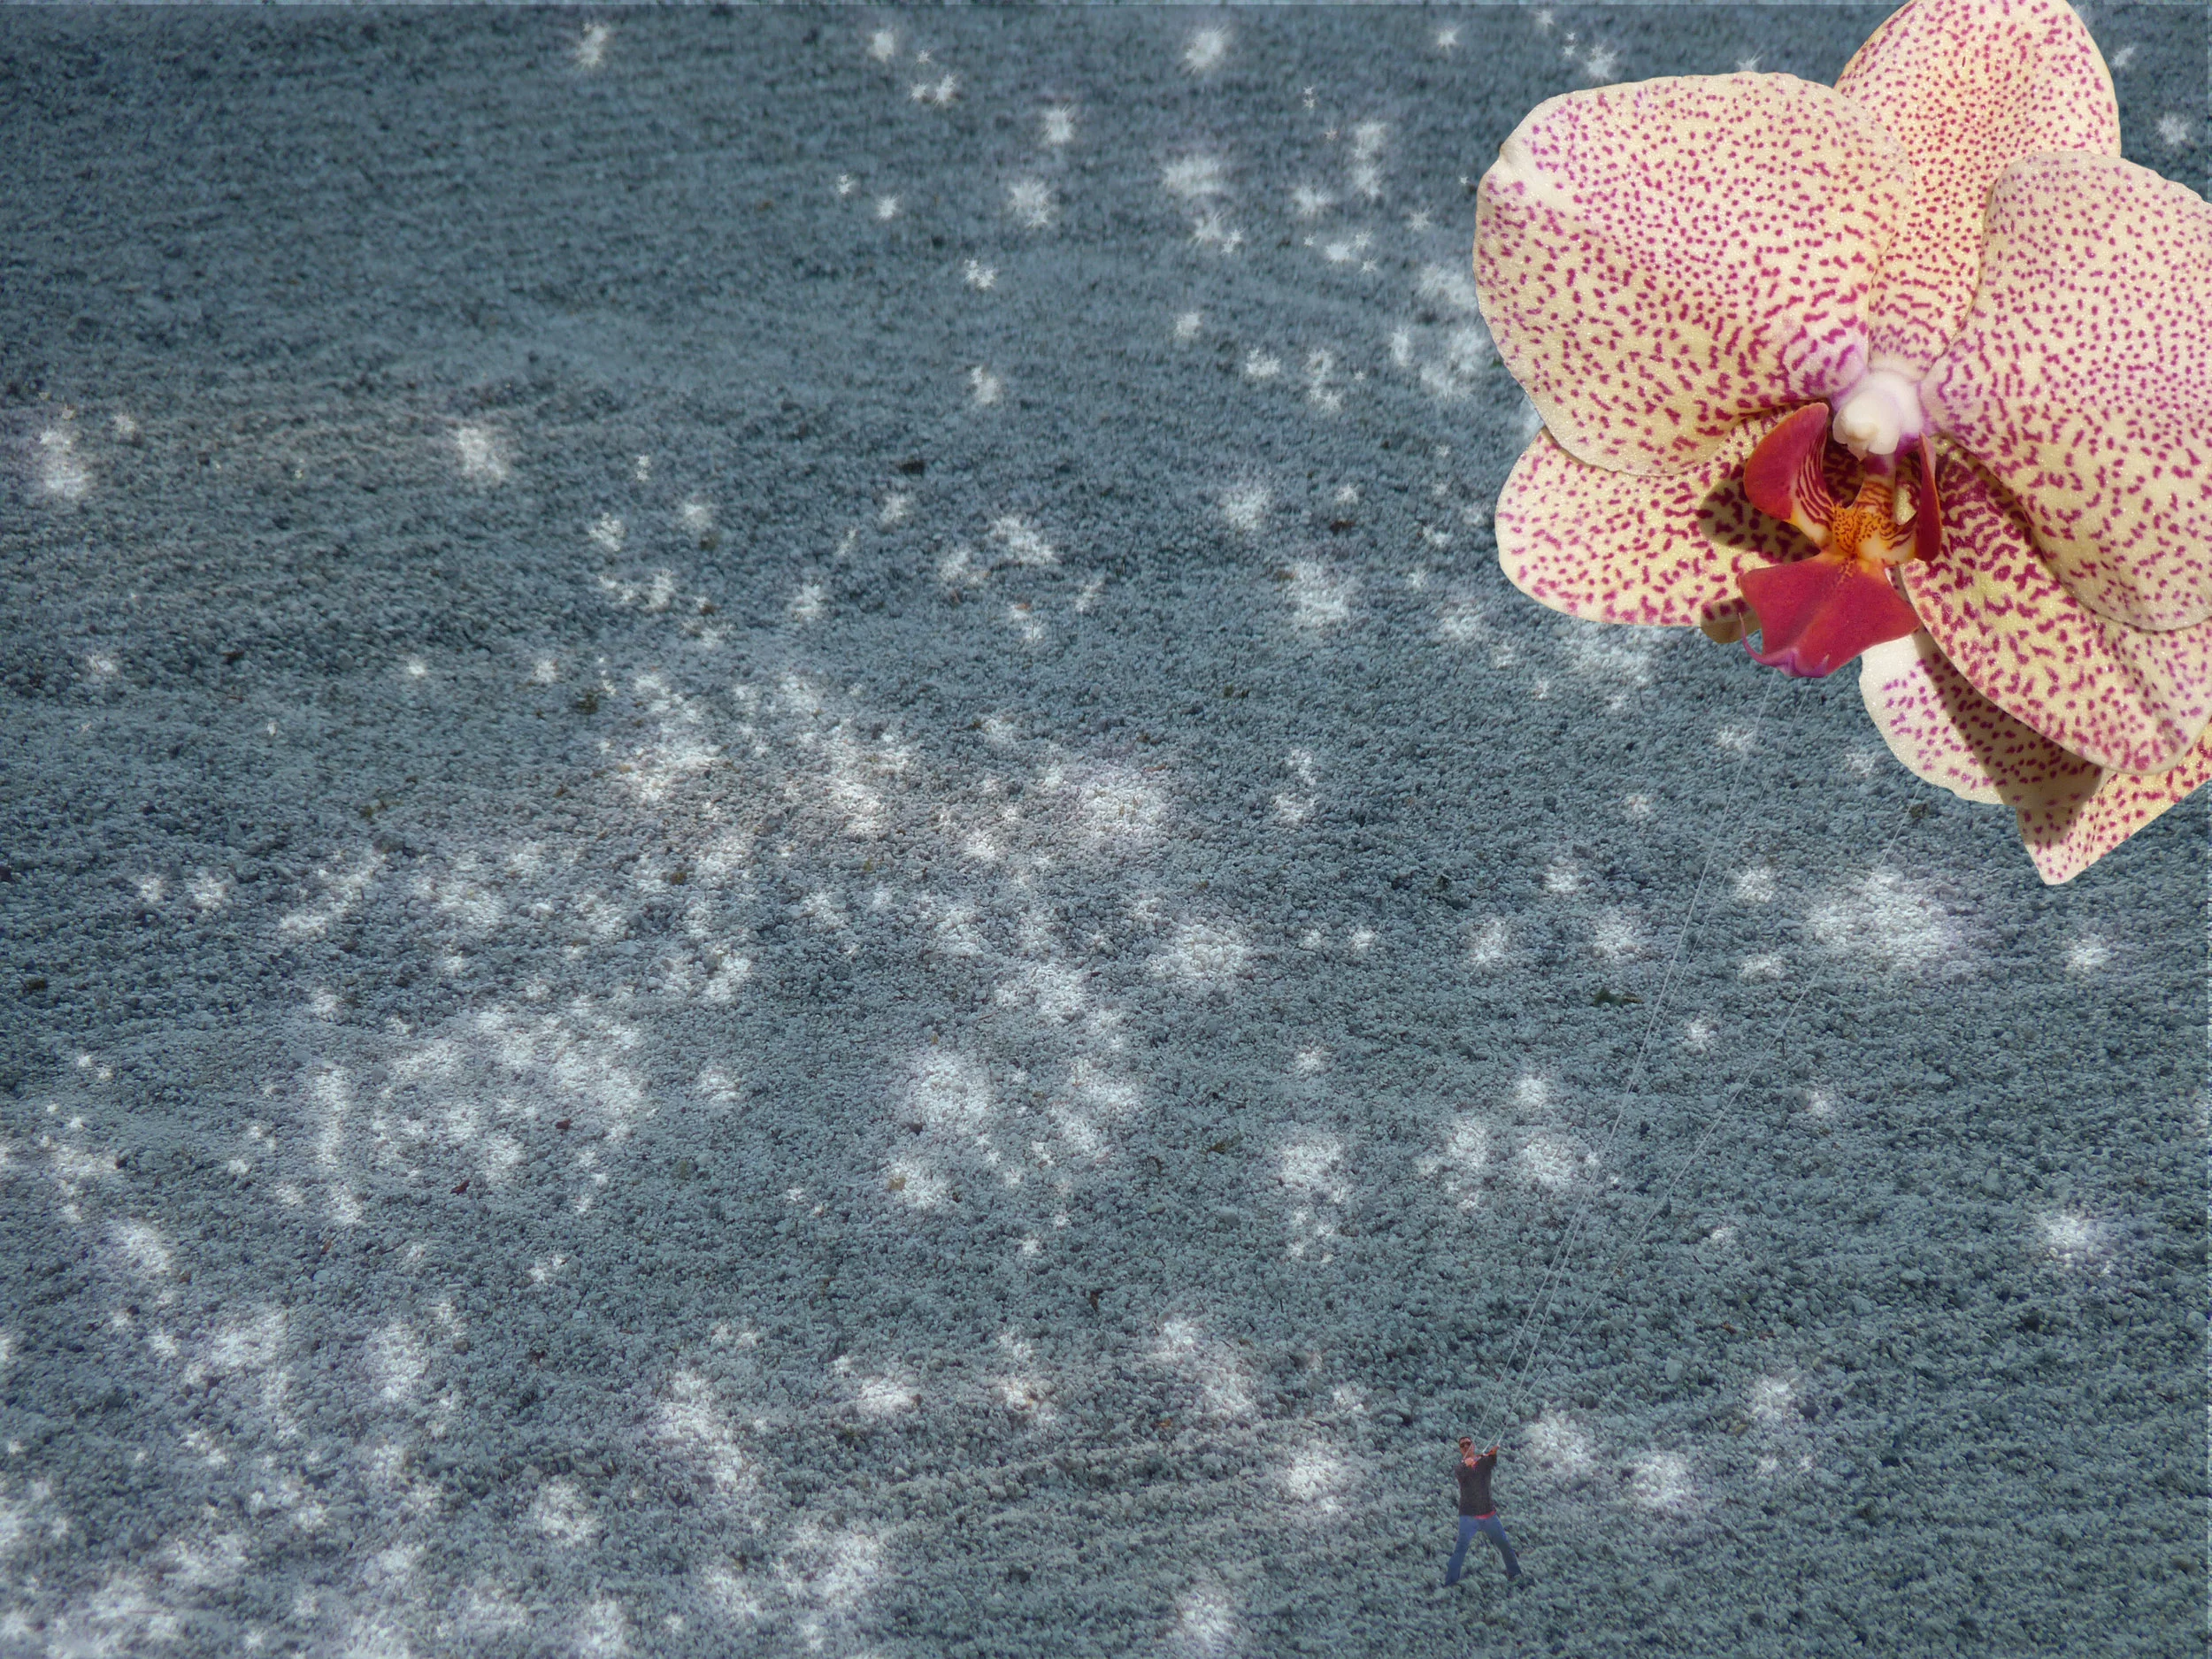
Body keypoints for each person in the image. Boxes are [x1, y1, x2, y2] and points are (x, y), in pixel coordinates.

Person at [1444, 1437, 1523, 1586]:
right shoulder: (1460, 1467)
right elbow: (1461, 1474)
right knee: (1460, 1548)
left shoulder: (1483, 1462)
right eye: (1463, 1445)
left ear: (1473, 1446)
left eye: (1469, 1443)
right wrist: (1468, 1464)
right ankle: (1450, 1582)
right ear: (1460, 1449)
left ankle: (1515, 1574)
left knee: (1504, 1544)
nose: (1466, 1446)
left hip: (1488, 1514)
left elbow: (1491, 1461)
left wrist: (1493, 1453)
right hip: (1468, 1516)